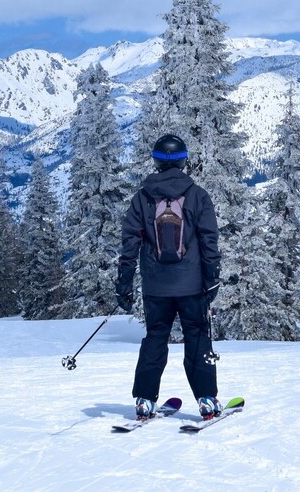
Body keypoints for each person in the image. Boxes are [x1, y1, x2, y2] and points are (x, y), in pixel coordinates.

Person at [116, 134, 223, 421]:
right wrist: (212, 277)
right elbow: (209, 239)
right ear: (184, 160)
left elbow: (129, 243)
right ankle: (207, 399)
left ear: (156, 161)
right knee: (198, 336)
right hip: (192, 284)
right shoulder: (198, 195)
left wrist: (124, 282)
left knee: (155, 337)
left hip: (155, 286)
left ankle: (144, 400)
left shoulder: (142, 198)